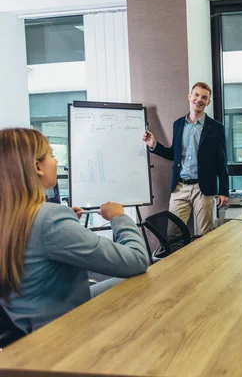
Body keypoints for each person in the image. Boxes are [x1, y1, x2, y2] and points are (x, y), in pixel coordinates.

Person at [0, 128, 149, 335]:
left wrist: (66, 223)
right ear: (37, 167)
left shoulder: (12, 218)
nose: (56, 162)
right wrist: (119, 217)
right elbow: (137, 259)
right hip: (65, 328)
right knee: (147, 278)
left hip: (28, 328)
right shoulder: (49, 219)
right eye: (51, 155)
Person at [143, 82, 229, 237]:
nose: (199, 99)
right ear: (190, 96)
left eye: (204, 97)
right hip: (180, 188)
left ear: (208, 102)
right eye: (196, 95)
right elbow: (173, 155)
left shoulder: (216, 128)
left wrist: (224, 191)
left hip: (204, 189)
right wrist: (153, 145)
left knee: (205, 235)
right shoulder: (178, 124)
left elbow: (221, 162)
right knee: (173, 234)